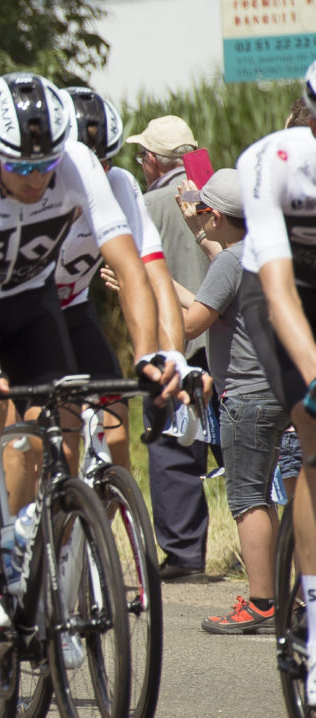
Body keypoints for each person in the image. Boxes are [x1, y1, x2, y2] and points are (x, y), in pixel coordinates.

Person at [0, 72, 178, 636]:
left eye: (46, 166)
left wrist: (149, 355)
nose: (38, 179)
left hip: (31, 305)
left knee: (62, 416)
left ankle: (29, 540)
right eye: (22, 167)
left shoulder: (79, 164)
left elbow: (131, 269)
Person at [169, 169, 287, 633]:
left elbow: (192, 324)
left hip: (246, 394)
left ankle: (261, 603)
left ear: (215, 214)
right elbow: (214, 296)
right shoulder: (266, 253)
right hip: (281, 391)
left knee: (247, 499)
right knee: (268, 496)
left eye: (204, 213)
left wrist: (153, 299)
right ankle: (281, 592)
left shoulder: (229, 262)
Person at [236, 60, 316, 703]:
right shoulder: (279, 158)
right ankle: (315, 624)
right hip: (283, 294)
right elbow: (279, 289)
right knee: (314, 437)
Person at [58, 87, 186, 471]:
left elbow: (152, 278)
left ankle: (98, 522)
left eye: (106, 160)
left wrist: (165, 355)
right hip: (25, 310)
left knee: (115, 425)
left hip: (74, 309)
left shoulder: (119, 185)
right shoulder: (38, 190)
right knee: (58, 431)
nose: (97, 172)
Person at [126, 114, 215, 580]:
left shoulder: (148, 203)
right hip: (225, 340)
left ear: (151, 162)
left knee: (172, 447)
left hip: (174, 338)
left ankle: (184, 555)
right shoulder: (215, 191)